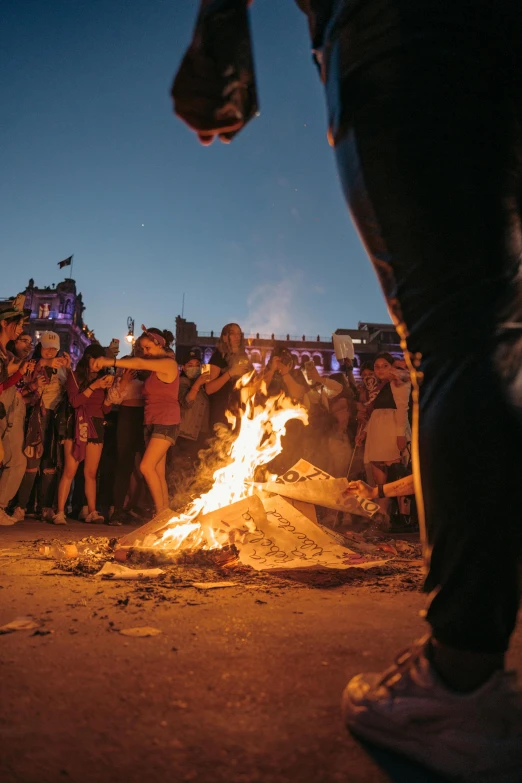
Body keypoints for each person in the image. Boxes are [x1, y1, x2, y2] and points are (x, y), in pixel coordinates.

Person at [172, 2, 522, 779]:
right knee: (502, 326)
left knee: (456, 329)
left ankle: (460, 679)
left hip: (405, 31)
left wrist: (219, 41)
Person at [93, 327, 179, 516]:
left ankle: (161, 514)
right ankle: (165, 515)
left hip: (166, 420)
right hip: (151, 420)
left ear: (159, 344)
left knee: (145, 466)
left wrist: (109, 360)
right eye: (142, 348)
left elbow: (139, 362)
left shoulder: (168, 364)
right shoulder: (156, 368)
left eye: (148, 348)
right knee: (157, 471)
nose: (145, 352)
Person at [53, 344, 113, 525]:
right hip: (77, 425)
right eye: (98, 359)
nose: (100, 364)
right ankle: (60, 512)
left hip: (96, 425)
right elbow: (75, 401)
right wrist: (94, 386)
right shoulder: (75, 376)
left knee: (91, 473)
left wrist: (110, 393)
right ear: (89, 359)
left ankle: (92, 511)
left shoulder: (104, 379)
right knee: (69, 471)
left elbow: (105, 409)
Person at [13, 332, 70, 522]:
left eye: (54, 348)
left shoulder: (62, 367)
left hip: (54, 418)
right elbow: (23, 384)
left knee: (50, 464)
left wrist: (69, 369)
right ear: (40, 347)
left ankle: (46, 507)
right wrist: (44, 366)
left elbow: (70, 390)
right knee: (31, 463)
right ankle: (21, 506)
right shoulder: (32, 364)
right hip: (35, 417)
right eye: (47, 347)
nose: (50, 351)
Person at [356, 352, 411, 512]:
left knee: (398, 475)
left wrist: (400, 434)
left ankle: (403, 516)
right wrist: (364, 433)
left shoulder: (398, 380)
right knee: (379, 478)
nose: (380, 370)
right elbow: (374, 413)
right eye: (377, 367)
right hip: (377, 433)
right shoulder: (379, 387)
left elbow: (402, 407)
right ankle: (382, 516)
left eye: (385, 366)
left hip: (391, 430)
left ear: (391, 366)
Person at [0, 298, 29, 525]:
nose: (20, 329)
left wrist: (19, 372)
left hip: (5, 411)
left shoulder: (4, 353)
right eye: (17, 324)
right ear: (3, 323)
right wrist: (18, 372)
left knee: (15, 460)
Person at [205, 323, 253, 429]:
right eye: (233, 333)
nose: (237, 337)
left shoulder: (244, 357)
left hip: (240, 416)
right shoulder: (216, 357)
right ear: (225, 337)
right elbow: (208, 389)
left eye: (239, 334)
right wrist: (230, 373)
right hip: (220, 416)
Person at [176, 348, 211, 460]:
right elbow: (187, 403)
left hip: (200, 435)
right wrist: (198, 383)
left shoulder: (203, 385)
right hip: (185, 435)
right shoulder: (182, 382)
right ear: (183, 367)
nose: (194, 368)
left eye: (197, 364)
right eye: (190, 365)